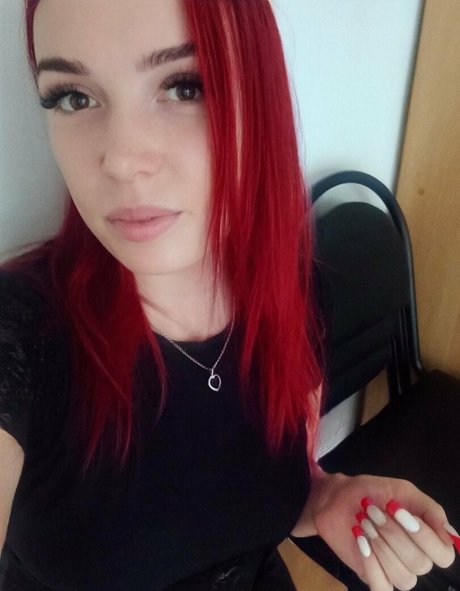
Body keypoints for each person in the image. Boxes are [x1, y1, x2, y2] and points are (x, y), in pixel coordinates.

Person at [0, 1, 456, 589]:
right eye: (73, 97)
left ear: (257, 99)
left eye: (184, 86)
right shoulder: (20, 330)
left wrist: (325, 497)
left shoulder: (296, 293)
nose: (122, 161)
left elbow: (278, 486)